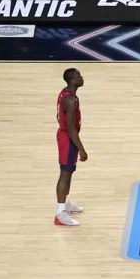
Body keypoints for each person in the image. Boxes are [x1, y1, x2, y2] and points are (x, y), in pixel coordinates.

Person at [54, 68, 87, 227]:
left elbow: (59, 116)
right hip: (68, 139)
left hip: (65, 137)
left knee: (69, 172)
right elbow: (71, 128)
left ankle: (66, 203)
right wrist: (81, 149)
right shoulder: (71, 101)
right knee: (65, 174)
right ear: (72, 80)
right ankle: (60, 214)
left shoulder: (64, 93)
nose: (81, 78)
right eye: (78, 76)